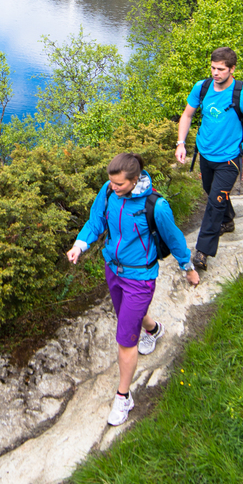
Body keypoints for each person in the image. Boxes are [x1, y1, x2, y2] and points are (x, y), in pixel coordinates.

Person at [66, 152, 197, 428]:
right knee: (128, 317)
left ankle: (123, 397)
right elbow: (96, 222)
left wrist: (188, 267)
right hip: (113, 270)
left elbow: (173, 238)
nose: (114, 188)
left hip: (140, 277)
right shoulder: (108, 190)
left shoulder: (156, 206)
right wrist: (80, 244)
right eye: (111, 183)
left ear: (136, 179)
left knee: (126, 338)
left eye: (120, 185)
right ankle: (153, 329)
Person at [174, 46, 243, 271]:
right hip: (205, 153)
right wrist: (180, 143)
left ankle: (202, 251)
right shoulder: (201, 88)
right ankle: (228, 219)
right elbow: (187, 115)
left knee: (213, 203)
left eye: (221, 69)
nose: (215, 73)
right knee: (210, 191)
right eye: (213, 68)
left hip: (229, 159)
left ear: (232, 69)